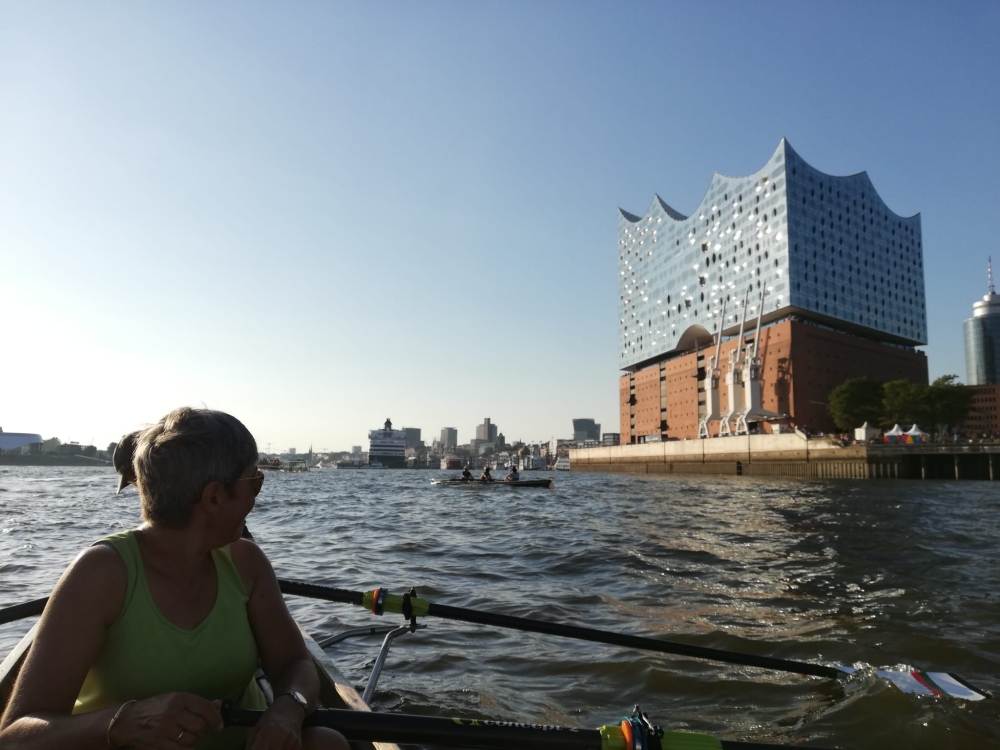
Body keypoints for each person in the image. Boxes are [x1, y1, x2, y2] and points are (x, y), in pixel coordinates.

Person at [0, 407, 349, 750]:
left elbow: (296, 663)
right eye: (254, 481)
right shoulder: (101, 575)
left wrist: (289, 707)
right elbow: (15, 736)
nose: (256, 498)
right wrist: (122, 724)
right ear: (214, 497)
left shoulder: (246, 562)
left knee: (327, 743)